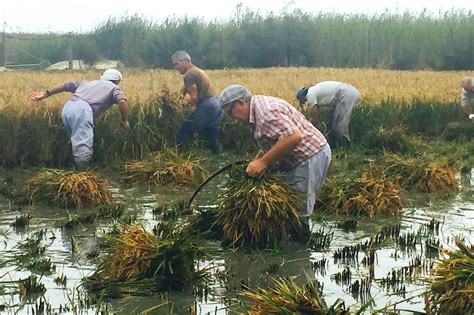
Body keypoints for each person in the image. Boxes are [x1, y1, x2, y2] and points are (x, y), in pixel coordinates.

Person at [219, 84, 331, 238]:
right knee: (288, 205)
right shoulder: (255, 111)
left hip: (309, 155)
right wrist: (258, 160)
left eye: (231, 112)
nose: (233, 118)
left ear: (241, 103)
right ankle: (290, 239)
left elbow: (294, 137)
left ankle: (300, 250)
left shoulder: (266, 112)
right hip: (295, 159)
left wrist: (263, 163)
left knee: (298, 209)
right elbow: (273, 140)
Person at [29, 69, 129, 168]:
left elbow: (66, 85)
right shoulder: (114, 88)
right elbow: (122, 102)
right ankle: (83, 174)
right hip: (82, 110)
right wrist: (124, 120)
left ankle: (73, 167)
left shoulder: (89, 83)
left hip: (68, 107)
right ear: (117, 81)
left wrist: (45, 94)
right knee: (83, 143)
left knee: (74, 140)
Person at [171, 51, 224, 154]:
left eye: (177, 64)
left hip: (207, 106)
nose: (176, 67)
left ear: (186, 61)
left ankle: (180, 156)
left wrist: (180, 106)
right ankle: (219, 156)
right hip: (218, 104)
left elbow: (194, 98)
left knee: (186, 130)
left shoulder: (188, 75)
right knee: (209, 133)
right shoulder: (197, 70)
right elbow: (184, 90)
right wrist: (174, 99)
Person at [296, 81, 360, 148]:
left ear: (303, 97)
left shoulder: (310, 94)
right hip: (345, 92)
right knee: (331, 122)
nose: (306, 102)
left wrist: (310, 130)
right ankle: (334, 145)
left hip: (345, 94)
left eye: (304, 101)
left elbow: (314, 115)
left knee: (340, 124)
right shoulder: (314, 89)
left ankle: (345, 147)